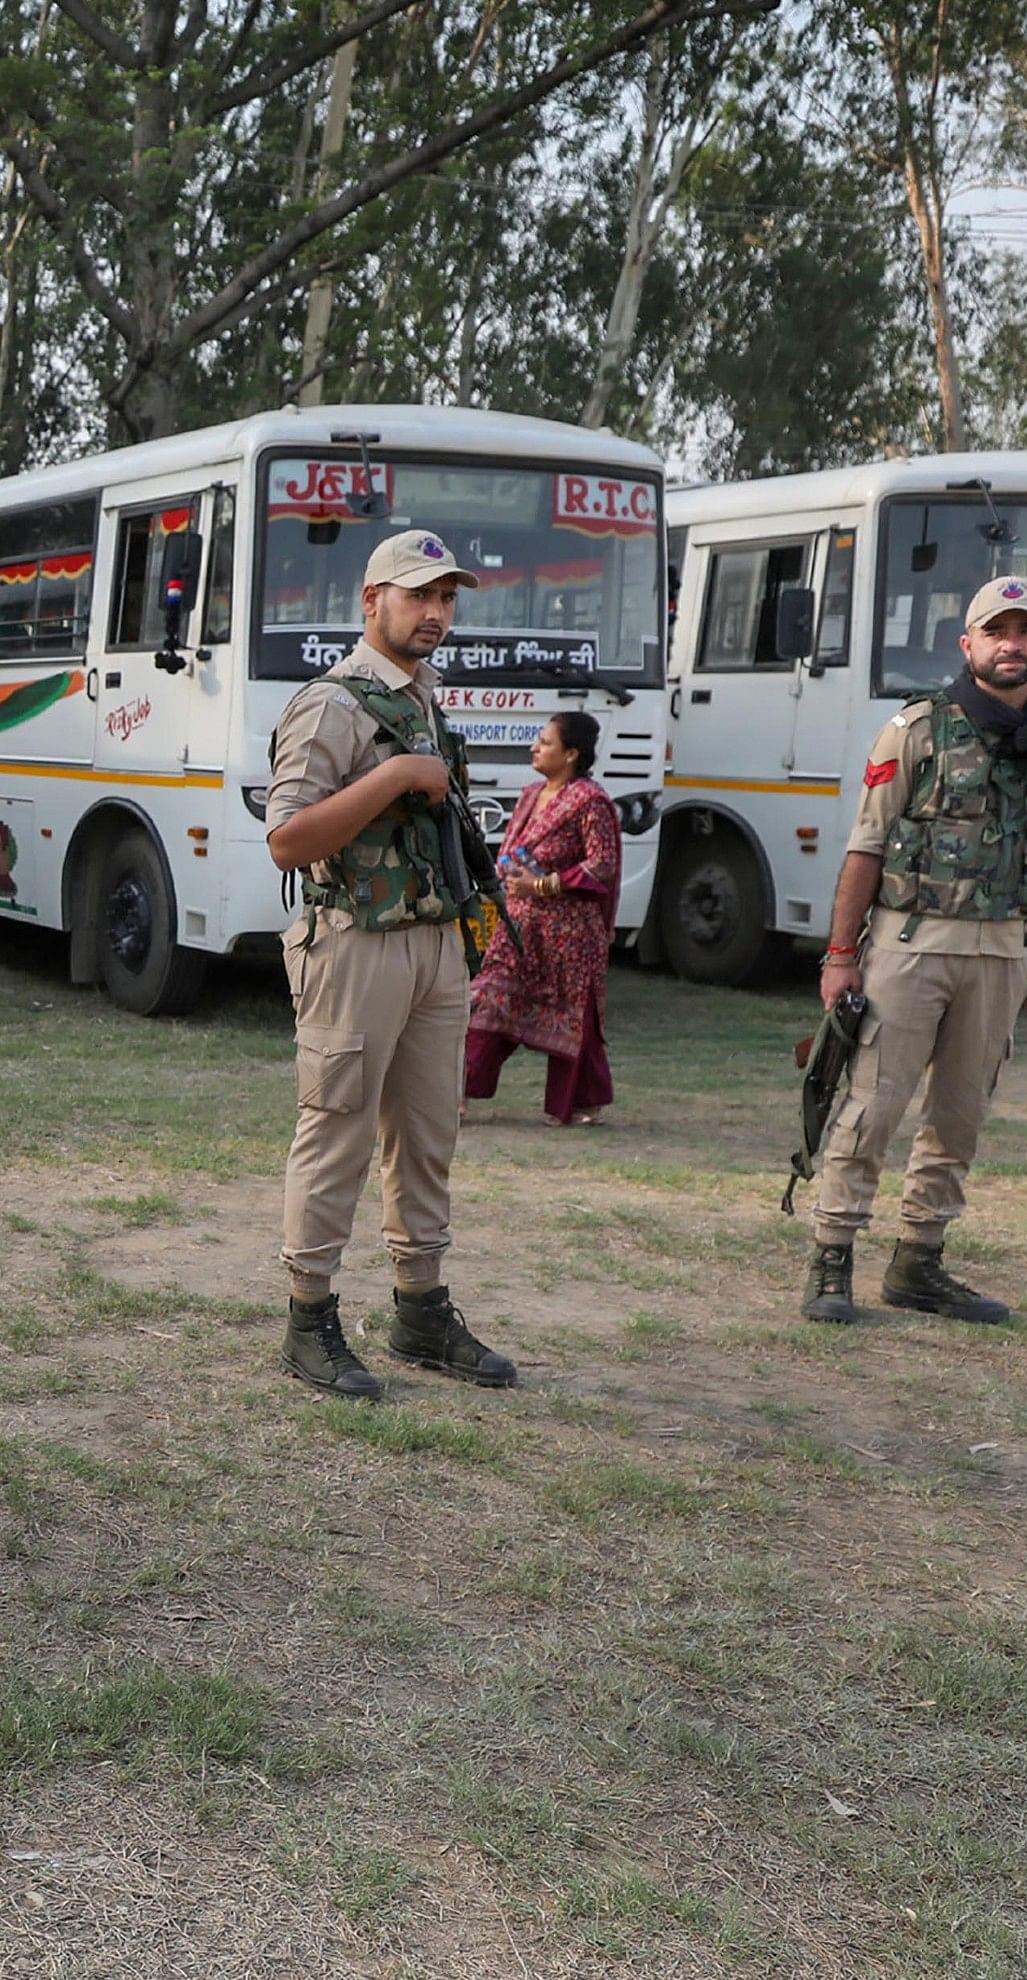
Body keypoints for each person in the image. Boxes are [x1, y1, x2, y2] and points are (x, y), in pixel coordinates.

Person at [262, 528, 517, 1397]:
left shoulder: (426, 697)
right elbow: (287, 839)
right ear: (371, 602)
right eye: (419, 596)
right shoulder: (330, 704)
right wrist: (399, 773)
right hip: (353, 944)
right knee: (335, 1131)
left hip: (431, 944)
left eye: (446, 598)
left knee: (426, 1137)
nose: (437, 613)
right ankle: (308, 1318)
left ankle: (419, 1308)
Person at [799, 575, 1027, 1327]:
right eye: (996, 630)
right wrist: (839, 954)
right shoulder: (916, 729)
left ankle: (918, 1259)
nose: (1010, 644)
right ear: (968, 643)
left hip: (1000, 951)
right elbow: (865, 846)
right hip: (909, 941)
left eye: (1026, 631)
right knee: (874, 1103)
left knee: (959, 1112)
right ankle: (832, 1254)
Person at [460, 708, 621, 1124]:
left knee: (573, 1016)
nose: (535, 747)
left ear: (570, 754)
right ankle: (454, 1090)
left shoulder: (591, 802)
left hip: (568, 931)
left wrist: (543, 885)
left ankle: (579, 1103)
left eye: (546, 742)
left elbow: (601, 864)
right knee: (488, 997)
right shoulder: (532, 794)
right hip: (518, 925)